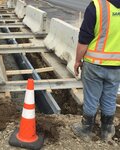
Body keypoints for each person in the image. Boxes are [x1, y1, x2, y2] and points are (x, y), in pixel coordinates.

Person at [72, 0, 120, 142]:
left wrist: (77, 60)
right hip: (117, 65)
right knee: (110, 97)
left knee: (92, 98)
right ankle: (107, 131)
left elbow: (84, 39)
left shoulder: (97, 6)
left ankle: (85, 130)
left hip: (95, 64)